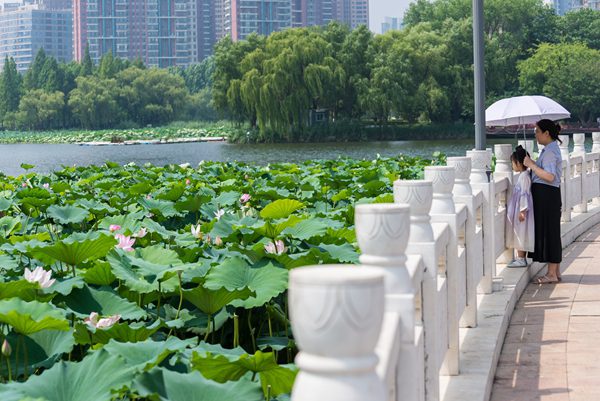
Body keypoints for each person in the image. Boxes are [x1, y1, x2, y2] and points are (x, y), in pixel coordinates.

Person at [523, 119, 563, 283]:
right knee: (551, 231)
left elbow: (550, 176)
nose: (536, 135)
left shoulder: (550, 152)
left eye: (537, 131)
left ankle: (552, 274)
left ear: (547, 133)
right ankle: (555, 271)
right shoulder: (549, 150)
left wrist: (531, 164)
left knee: (550, 232)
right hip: (547, 196)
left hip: (547, 196)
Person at [506, 145, 534, 267]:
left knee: (521, 232)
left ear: (518, 163)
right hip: (520, 209)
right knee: (519, 232)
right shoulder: (524, 175)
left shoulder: (524, 177)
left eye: (512, 163)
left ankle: (521, 258)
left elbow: (524, 195)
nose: (512, 165)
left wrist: (523, 210)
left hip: (522, 211)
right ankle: (520, 257)